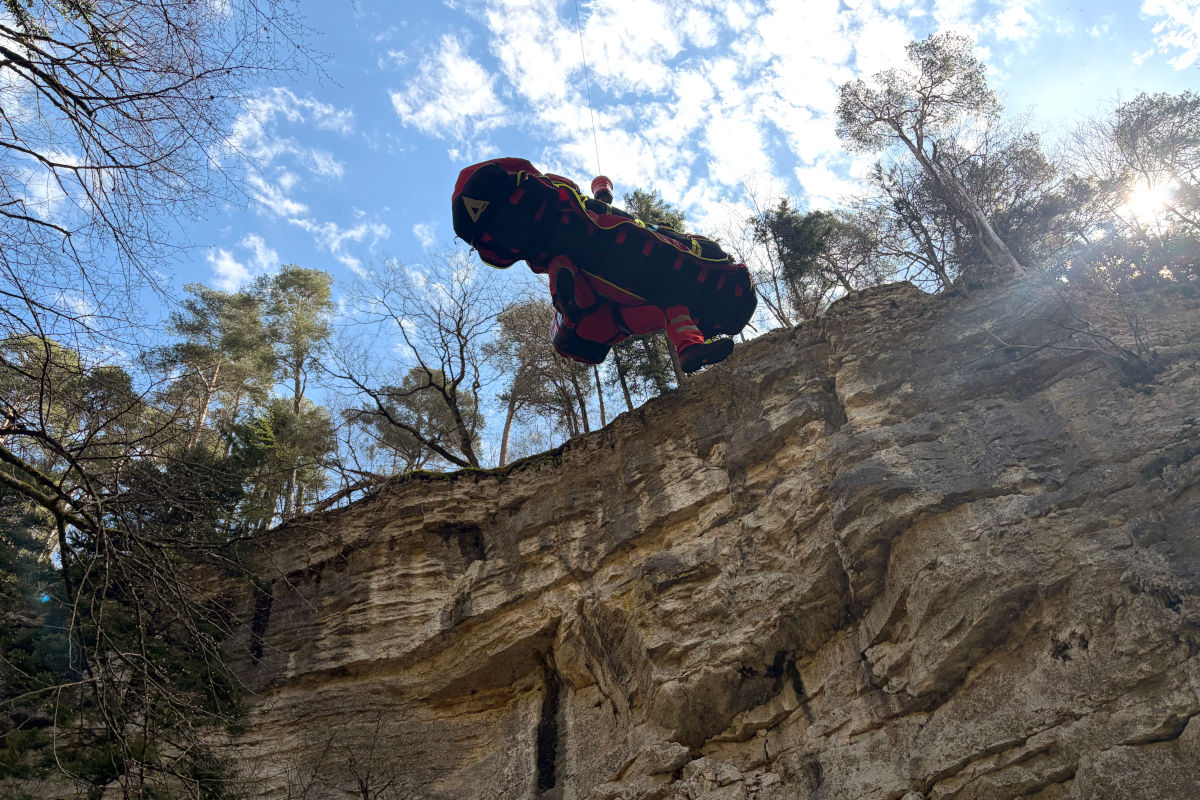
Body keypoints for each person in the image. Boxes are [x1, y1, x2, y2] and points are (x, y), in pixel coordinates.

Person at [452, 157, 755, 373]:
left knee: (669, 306)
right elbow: (567, 266)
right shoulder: (570, 256)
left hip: (621, 302)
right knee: (669, 306)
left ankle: (691, 350)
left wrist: (602, 191)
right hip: (617, 294)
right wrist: (601, 192)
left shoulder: (574, 277)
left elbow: (566, 267)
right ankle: (689, 347)